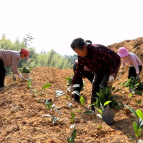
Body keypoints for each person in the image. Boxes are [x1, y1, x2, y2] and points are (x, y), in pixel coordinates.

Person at [67, 38, 121, 111]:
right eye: (76, 53)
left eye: (79, 52)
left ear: (84, 47)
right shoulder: (81, 56)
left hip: (111, 65)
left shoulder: (97, 50)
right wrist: (72, 85)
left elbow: (111, 61)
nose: (78, 54)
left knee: (104, 86)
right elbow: (79, 70)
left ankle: (105, 109)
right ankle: (94, 110)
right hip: (98, 68)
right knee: (95, 85)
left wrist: (112, 74)